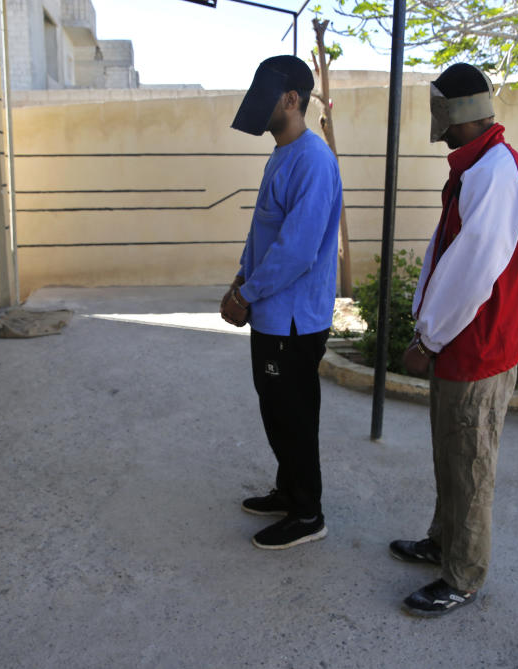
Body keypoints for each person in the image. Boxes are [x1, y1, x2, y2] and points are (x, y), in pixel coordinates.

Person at [389, 63, 518, 617]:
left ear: (455, 113)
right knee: (451, 454)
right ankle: (442, 541)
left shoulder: (496, 171)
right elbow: (448, 248)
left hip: (478, 347)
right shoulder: (479, 167)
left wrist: (428, 339)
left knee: (470, 462)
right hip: (465, 342)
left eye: (439, 111)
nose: (437, 123)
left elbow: (473, 267)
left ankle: (463, 574)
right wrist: (427, 324)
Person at [219, 55, 343, 550]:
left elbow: (296, 250)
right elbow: (264, 233)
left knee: (292, 416)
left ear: (291, 99)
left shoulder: (312, 159)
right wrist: (240, 279)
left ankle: (308, 513)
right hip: (273, 314)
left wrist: (245, 295)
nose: (258, 105)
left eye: (266, 94)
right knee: (277, 411)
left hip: (293, 322)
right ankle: (289, 492)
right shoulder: (283, 154)